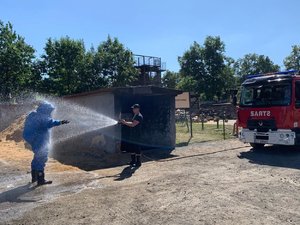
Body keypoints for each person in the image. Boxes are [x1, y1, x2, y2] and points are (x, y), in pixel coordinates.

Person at [23, 102, 69, 185]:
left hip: (35, 140)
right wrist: (61, 122)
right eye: (49, 110)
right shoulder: (43, 116)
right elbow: (50, 123)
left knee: (36, 158)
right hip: (41, 141)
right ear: (46, 110)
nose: (50, 112)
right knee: (42, 158)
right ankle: (41, 179)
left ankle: (34, 177)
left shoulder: (33, 115)